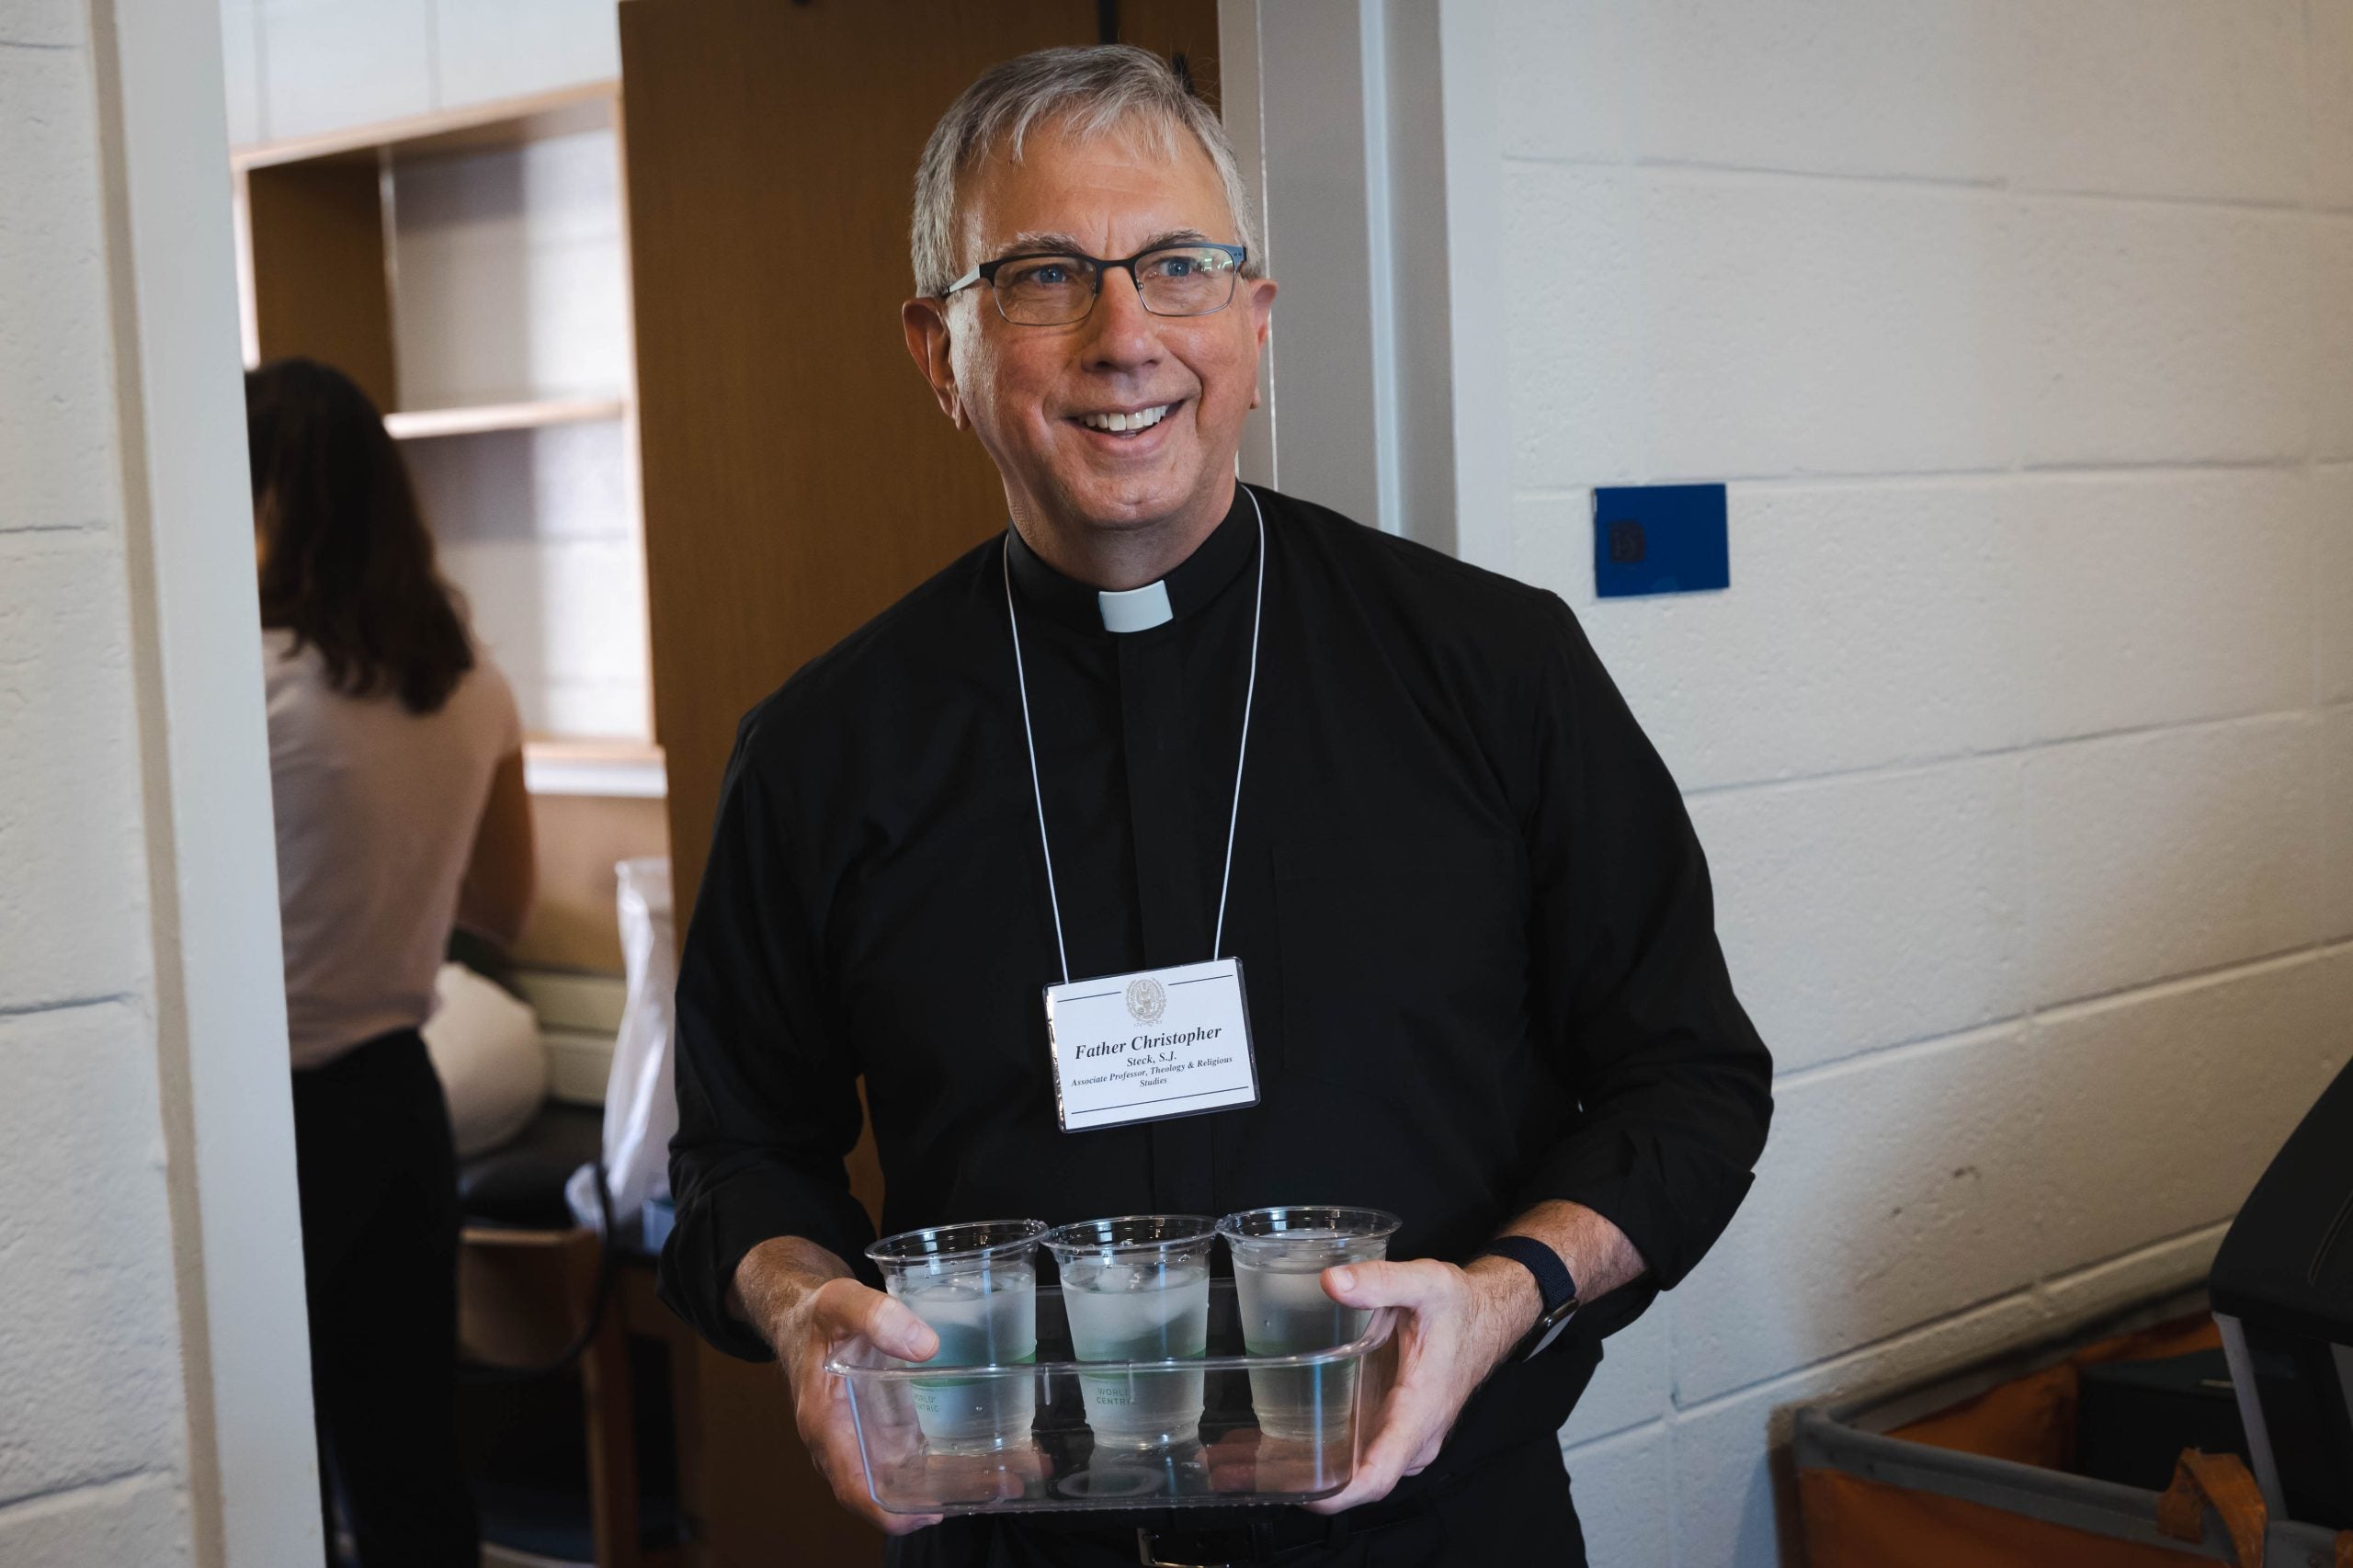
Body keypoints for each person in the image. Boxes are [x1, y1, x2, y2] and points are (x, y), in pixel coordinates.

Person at [659, 45, 1772, 1567]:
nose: (1127, 337)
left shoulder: (1493, 669)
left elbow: (1692, 1083)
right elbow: (738, 1156)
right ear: (941, 350)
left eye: (1177, 266)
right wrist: (798, 1308)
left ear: (1252, 316)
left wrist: (1508, 1291)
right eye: (1046, 276)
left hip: (1440, 1535)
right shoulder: (823, 750)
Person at [249, 358, 535, 1567]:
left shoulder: (251, 692)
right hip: (397, 1108)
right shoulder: (472, 681)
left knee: (265, 1478)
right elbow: (506, 908)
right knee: (413, 1471)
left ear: (266, 498)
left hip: (271, 1129)